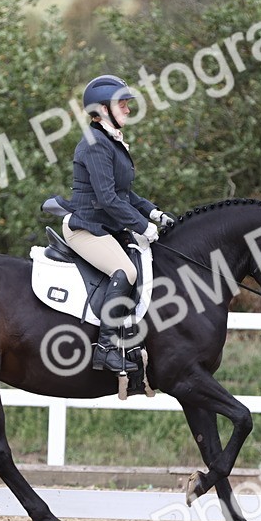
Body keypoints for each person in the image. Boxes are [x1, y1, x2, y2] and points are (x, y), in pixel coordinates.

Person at [65, 74, 174, 373]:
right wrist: (143, 227)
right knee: (125, 271)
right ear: (102, 109)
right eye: (122, 103)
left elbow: (124, 193)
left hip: (106, 227)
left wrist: (153, 213)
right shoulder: (95, 144)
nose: (128, 108)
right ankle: (106, 348)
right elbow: (108, 198)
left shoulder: (109, 142)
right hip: (86, 228)